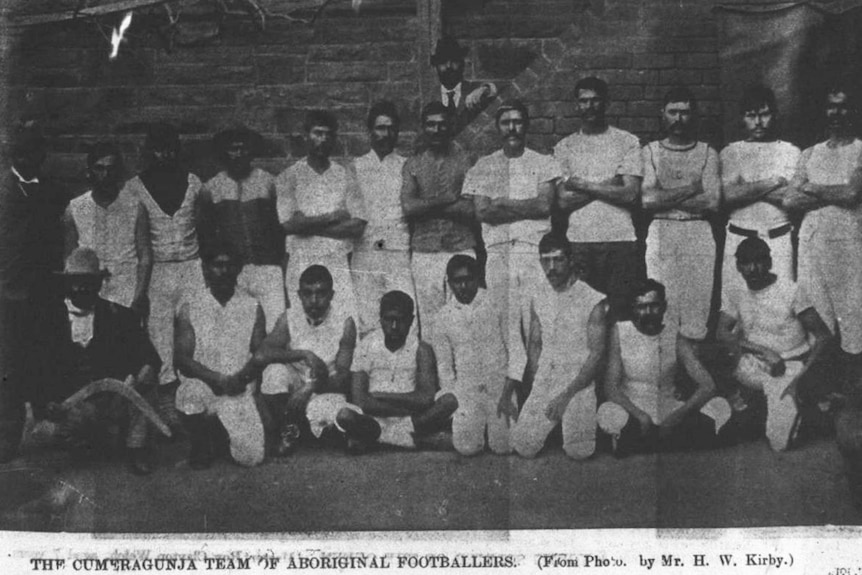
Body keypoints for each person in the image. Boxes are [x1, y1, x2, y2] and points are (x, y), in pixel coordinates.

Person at [464, 99, 560, 384]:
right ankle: (509, 400)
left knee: (536, 324)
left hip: (532, 252)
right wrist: (522, 206)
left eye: (518, 121)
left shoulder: (543, 163)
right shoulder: (484, 166)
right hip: (498, 254)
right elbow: (482, 211)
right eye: (506, 123)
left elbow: (544, 206)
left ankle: (536, 392)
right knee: (504, 329)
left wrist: (503, 203)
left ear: (526, 125)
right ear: (498, 127)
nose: (512, 128)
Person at [123, 124, 207, 423]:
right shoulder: (135, 187)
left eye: (170, 147)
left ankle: (194, 400)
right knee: (159, 334)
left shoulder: (193, 182)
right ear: (149, 151)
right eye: (159, 148)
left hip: (192, 267)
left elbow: (203, 225)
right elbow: (135, 238)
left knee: (194, 331)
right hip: (157, 270)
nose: (165, 154)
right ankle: (167, 402)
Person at [51, 248, 161, 475]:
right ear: (66, 283)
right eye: (76, 282)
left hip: (114, 400)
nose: (82, 288)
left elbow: (150, 357)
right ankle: (89, 442)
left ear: (100, 284)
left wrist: (144, 372)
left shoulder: (120, 315)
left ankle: (136, 450)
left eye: (89, 281)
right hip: (72, 403)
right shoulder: (49, 319)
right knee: (51, 432)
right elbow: (39, 369)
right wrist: (50, 401)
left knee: (140, 391)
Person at [717, 237, 831, 451]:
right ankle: (752, 406)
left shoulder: (791, 290)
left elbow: (824, 336)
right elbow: (721, 332)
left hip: (790, 365)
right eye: (746, 263)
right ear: (738, 266)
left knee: (779, 444)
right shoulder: (736, 291)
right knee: (739, 429)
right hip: (755, 363)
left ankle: (796, 404)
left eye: (759, 261)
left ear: (769, 262)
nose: (753, 269)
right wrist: (762, 350)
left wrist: (801, 377)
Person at [598, 279, 731, 456]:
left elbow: (708, 385)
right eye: (641, 307)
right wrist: (640, 415)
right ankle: (670, 441)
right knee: (607, 412)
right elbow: (611, 388)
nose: (648, 312)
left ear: (664, 307)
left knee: (720, 406)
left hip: (669, 408)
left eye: (654, 306)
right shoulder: (621, 331)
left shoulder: (674, 335)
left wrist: (678, 416)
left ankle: (642, 442)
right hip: (632, 410)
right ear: (633, 309)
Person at [785, 85, 862, 382]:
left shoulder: (859, 150)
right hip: (811, 244)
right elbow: (790, 200)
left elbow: (852, 193)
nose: (836, 113)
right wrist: (834, 193)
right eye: (831, 106)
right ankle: (823, 391)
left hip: (848, 245)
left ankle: (854, 398)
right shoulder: (809, 154)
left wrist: (813, 187)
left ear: (852, 110)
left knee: (853, 318)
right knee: (818, 318)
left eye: (842, 106)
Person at [0, 127, 67, 462]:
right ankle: (8, 439)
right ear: (14, 156)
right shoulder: (3, 189)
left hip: (43, 294)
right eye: (22, 154)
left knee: (43, 362)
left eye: (35, 154)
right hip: (8, 296)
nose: (28, 160)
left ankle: (46, 436)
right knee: (9, 368)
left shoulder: (53, 191)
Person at [553, 76, 644, 319]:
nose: (590, 107)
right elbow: (562, 201)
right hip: (580, 242)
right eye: (584, 101)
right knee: (584, 316)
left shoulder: (627, 141)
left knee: (621, 314)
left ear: (606, 103)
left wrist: (581, 184)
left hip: (621, 240)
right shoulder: (565, 147)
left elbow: (630, 194)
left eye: (596, 101)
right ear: (576, 105)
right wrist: (609, 183)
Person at [510, 233, 607, 459]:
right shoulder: (538, 295)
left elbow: (597, 355)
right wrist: (538, 386)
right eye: (546, 260)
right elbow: (534, 344)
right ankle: (551, 428)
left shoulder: (592, 299)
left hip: (577, 384)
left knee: (579, 451)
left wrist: (565, 396)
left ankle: (579, 423)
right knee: (523, 446)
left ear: (571, 260)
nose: (551, 268)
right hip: (547, 379)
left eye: (558, 260)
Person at [174, 241, 267, 469]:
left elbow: (260, 355)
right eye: (217, 265)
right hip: (205, 386)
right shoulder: (190, 307)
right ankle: (201, 441)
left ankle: (220, 431)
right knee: (189, 395)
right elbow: (183, 360)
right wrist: (217, 379)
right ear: (205, 269)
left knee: (251, 458)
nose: (224, 271)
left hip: (238, 388)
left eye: (230, 265)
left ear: (238, 269)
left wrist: (243, 381)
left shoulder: (252, 305)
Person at [642, 86, 721, 341]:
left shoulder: (708, 152)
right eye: (672, 112)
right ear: (662, 114)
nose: (678, 119)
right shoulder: (651, 151)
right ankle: (665, 374)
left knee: (696, 309)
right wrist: (691, 188)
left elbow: (712, 203)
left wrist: (666, 195)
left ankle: (691, 375)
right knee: (662, 305)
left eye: (685, 113)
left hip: (698, 231)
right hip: (661, 230)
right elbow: (648, 200)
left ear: (693, 115)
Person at [255, 265, 358, 455]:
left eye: (321, 293)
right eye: (308, 293)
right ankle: (289, 430)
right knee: (273, 374)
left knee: (335, 418)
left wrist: (311, 387)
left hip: (325, 387)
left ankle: (314, 430)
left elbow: (343, 376)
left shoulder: (345, 322)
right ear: (299, 294)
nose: (314, 300)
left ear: (332, 294)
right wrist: (303, 354)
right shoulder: (289, 317)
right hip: (294, 385)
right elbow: (262, 353)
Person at [276, 111, 366, 318]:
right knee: (301, 323)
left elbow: (357, 226)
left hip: (336, 261)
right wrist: (333, 216)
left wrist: (307, 224)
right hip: (301, 259)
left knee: (342, 319)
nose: (323, 139)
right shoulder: (289, 176)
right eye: (317, 133)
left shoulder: (345, 176)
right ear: (306, 135)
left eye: (328, 134)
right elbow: (289, 225)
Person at [401, 101, 477, 341]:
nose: (436, 130)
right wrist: (447, 198)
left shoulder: (466, 161)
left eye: (442, 125)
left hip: (461, 247)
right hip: (426, 253)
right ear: (423, 128)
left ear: (450, 127)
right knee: (431, 328)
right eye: (431, 125)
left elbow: (472, 209)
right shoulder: (413, 164)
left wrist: (429, 205)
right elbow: (409, 207)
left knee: (465, 321)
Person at [201, 126, 286, 332]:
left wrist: (280, 264)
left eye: (243, 148)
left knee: (276, 326)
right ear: (224, 152)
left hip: (267, 268)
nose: (238, 154)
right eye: (232, 149)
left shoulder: (268, 182)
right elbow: (205, 234)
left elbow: (281, 228)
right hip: (232, 272)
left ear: (251, 150)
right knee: (240, 330)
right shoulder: (212, 188)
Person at [349, 291, 457, 452]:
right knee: (347, 416)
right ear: (380, 319)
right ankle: (409, 438)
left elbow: (425, 398)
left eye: (400, 320)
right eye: (388, 319)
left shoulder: (421, 349)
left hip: (413, 419)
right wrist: (401, 408)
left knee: (449, 401)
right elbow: (360, 400)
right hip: (378, 417)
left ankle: (382, 438)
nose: (394, 326)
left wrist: (382, 395)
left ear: (411, 321)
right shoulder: (366, 346)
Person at [433, 256, 517, 455]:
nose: (463, 286)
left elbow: (516, 352)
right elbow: (445, 367)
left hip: (500, 388)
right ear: (449, 283)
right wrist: (457, 401)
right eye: (457, 281)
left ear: (478, 279)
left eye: (468, 280)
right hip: (467, 391)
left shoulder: (497, 305)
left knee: (504, 447)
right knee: (467, 448)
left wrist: (507, 393)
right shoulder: (442, 317)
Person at [720, 86, 799, 294]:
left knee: (779, 304)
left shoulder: (790, 151)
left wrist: (747, 187)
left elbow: (789, 197)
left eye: (764, 114)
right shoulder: (731, 152)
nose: (758, 122)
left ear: (774, 115)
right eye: (751, 116)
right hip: (739, 237)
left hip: (778, 239)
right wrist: (773, 181)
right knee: (735, 307)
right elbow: (729, 195)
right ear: (742, 118)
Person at [351, 102, 417, 335]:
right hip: (365, 252)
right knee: (368, 318)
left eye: (391, 128)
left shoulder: (406, 165)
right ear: (370, 130)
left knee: (405, 313)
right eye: (380, 128)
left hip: (397, 252)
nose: (385, 134)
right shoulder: (356, 167)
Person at [64, 142, 152, 316]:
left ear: (118, 172)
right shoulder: (75, 208)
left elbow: (145, 255)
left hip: (126, 292)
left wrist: (139, 295)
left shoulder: (135, 207)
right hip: (89, 294)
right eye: (99, 168)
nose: (105, 174)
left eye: (111, 169)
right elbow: (70, 257)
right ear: (90, 171)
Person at [430, 36, 498, 135]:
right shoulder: (430, 96)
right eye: (443, 61)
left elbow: (499, 91)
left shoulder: (473, 90)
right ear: (436, 66)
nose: (449, 66)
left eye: (454, 60)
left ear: (462, 64)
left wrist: (485, 89)